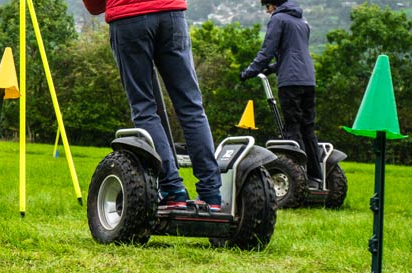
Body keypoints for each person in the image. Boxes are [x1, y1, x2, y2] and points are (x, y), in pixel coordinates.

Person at [82, 0, 222, 210]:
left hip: (128, 19)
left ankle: (173, 190)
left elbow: (93, 6)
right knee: (191, 107)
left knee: (144, 108)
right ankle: (212, 195)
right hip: (171, 14)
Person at [240, 0, 323, 189]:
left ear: (273, 4)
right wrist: (270, 69)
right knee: (308, 128)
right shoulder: (302, 22)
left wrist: (249, 72)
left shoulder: (278, 19)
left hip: (291, 81)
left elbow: (267, 50)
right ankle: (315, 177)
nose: (267, 11)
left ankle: (297, 178)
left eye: (267, 6)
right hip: (308, 79)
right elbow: (293, 54)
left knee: (292, 127)